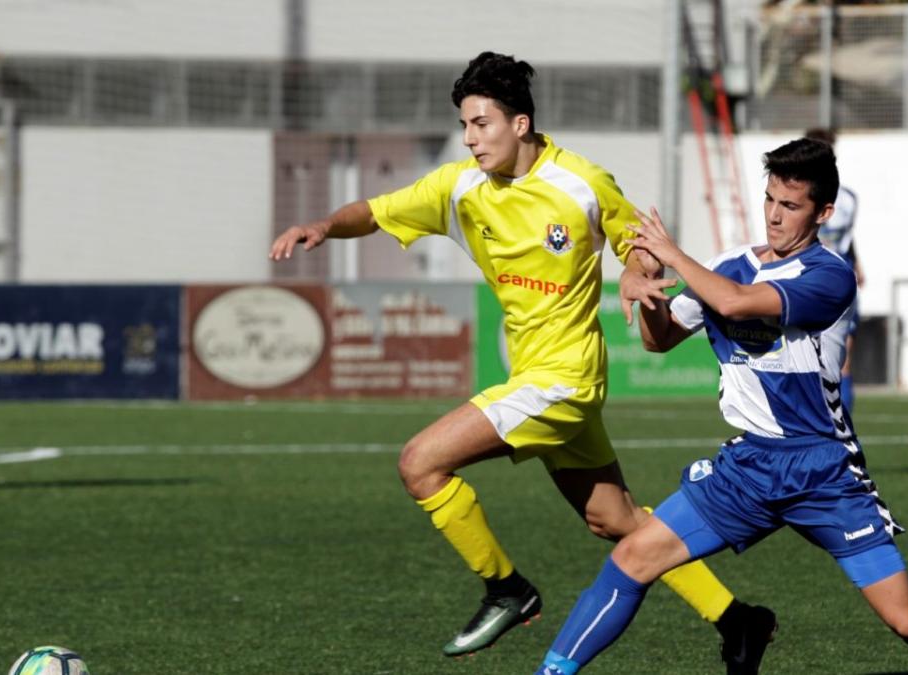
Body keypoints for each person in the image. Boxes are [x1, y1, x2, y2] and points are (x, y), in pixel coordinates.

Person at [269, 52, 774, 670]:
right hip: (538, 380)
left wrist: (635, 278)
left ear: (520, 124)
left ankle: (507, 589)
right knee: (614, 521)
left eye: (481, 124)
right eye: (464, 125)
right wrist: (323, 224)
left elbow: (636, 244)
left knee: (419, 463)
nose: (469, 138)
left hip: (564, 380)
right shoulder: (459, 187)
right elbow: (375, 212)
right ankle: (738, 620)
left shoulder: (580, 182)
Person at [535, 139, 908, 675]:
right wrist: (645, 289)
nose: (774, 216)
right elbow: (659, 339)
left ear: (823, 212)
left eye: (791, 206)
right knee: (631, 558)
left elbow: (735, 303)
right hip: (749, 467)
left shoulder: (830, 276)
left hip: (822, 470)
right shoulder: (729, 264)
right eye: (769, 201)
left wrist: (671, 255)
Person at [805, 127, 861, 411]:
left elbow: (848, 239)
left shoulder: (848, 199)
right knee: (804, 358)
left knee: (842, 357)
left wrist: (858, 264)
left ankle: (842, 429)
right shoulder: (797, 196)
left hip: (839, 280)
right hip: (804, 280)